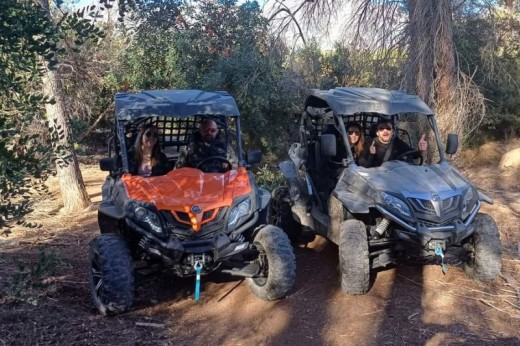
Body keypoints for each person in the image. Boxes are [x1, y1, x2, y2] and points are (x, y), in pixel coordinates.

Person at [358, 119, 427, 168]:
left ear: (392, 132)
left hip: (394, 179)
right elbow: (363, 167)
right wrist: (371, 155)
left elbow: (413, 154)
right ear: (377, 133)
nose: (385, 131)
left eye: (388, 128)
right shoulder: (369, 143)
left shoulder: (397, 142)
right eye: (381, 129)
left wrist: (420, 150)